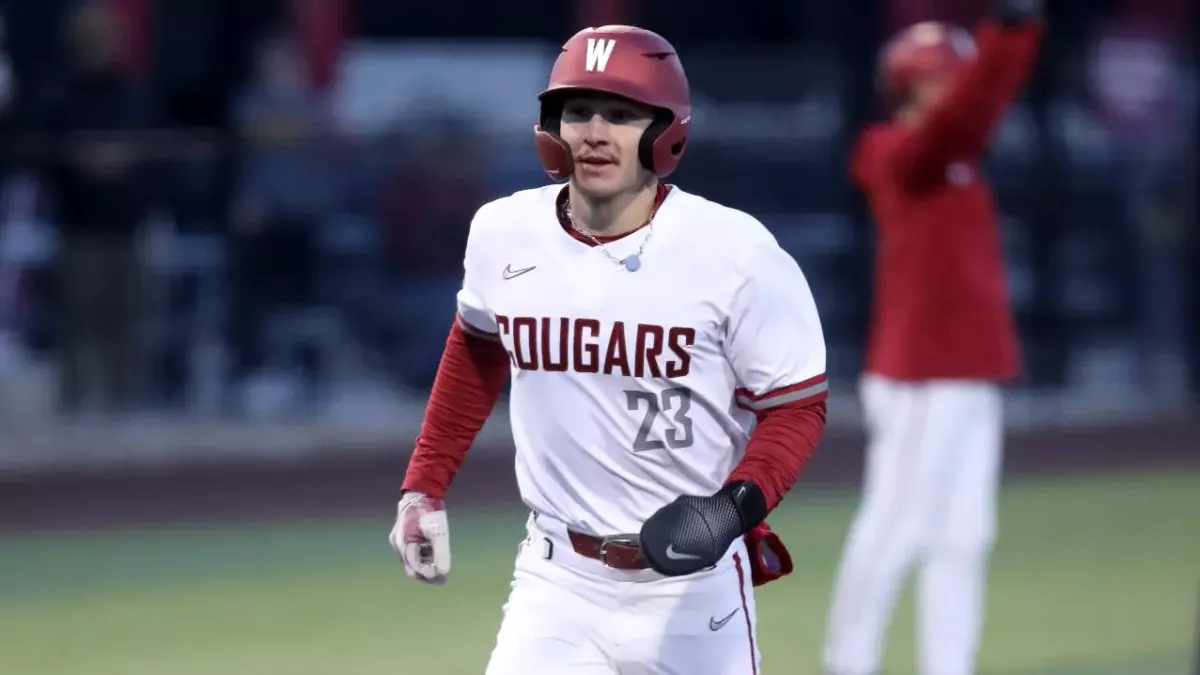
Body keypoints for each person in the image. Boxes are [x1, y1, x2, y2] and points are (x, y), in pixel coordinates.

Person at [388, 25, 829, 675]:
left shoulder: (736, 253)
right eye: (578, 111)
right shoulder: (503, 232)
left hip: (691, 588)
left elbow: (796, 407)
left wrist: (733, 507)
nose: (595, 131)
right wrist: (423, 486)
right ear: (550, 127)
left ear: (665, 131)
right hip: (556, 581)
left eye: (621, 114)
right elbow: (478, 345)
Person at [821, 3, 1044, 675]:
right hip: (921, 373)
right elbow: (958, 121)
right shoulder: (893, 152)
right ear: (912, 86)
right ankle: (847, 663)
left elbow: (965, 120)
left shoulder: (959, 154)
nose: (958, 88)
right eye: (945, 77)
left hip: (969, 370)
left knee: (965, 536)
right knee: (897, 527)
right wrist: (1011, 35)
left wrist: (1003, 44)